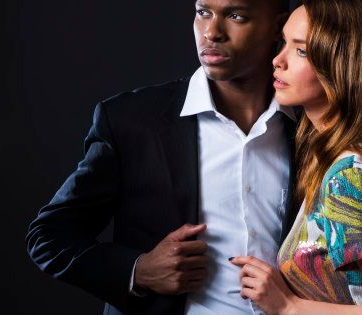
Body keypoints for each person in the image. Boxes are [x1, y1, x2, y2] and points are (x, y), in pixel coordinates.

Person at [26, 0, 297, 314]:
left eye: (236, 16)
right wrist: (138, 270)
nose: (212, 32)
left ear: (280, 27)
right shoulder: (131, 121)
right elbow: (48, 237)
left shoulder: (312, 128)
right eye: (203, 13)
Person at [228, 0, 362, 314]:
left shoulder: (352, 176)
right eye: (283, 43)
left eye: (301, 51)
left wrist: (289, 306)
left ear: (342, 67)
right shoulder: (353, 161)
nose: (278, 60)